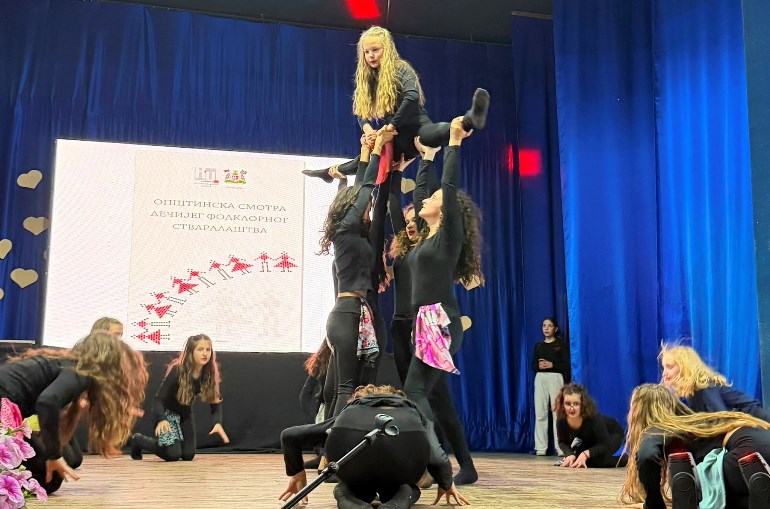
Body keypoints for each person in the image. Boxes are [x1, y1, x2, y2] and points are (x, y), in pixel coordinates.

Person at [401, 117, 483, 486]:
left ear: (445, 210)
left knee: (414, 391)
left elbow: (447, 188)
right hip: (428, 322)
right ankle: (467, 466)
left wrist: (454, 144)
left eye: (434, 200)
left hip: (439, 320)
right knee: (439, 401)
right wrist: (427, 158)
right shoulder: (427, 236)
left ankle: (433, 463)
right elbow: (424, 191)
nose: (426, 199)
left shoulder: (448, 236)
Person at [303, 25, 489, 183]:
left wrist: (391, 125)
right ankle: (329, 172)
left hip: (414, 124)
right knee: (367, 159)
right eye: (366, 52)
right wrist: (368, 130)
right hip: (396, 137)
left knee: (429, 135)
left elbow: (412, 97)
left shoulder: (400, 68)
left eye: (375, 50)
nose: (371, 55)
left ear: (387, 49)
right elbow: (361, 110)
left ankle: (469, 119)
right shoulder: (368, 78)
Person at [0, 332, 148, 493]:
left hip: (8, 408)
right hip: (4, 409)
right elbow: (47, 402)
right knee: (50, 478)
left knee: (66, 461)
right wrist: (53, 456)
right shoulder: (80, 372)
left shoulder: (67, 366)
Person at [279, 384, 468, 508]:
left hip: (355, 470)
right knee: (407, 487)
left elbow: (290, 436)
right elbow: (436, 456)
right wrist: (445, 482)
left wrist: (297, 473)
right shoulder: (412, 411)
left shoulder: (351, 411)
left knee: (346, 487)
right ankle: (400, 499)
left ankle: (349, 499)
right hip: (401, 467)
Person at [320, 127, 395, 416]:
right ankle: (337, 441)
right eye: (365, 207)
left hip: (353, 312)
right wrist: (377, 149)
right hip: (347, 313)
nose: (369, 208)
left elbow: (363, 186)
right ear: (350, 208)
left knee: (343, 389)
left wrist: (365, 151)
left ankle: (332, 439)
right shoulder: (346, 230)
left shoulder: (351, 232)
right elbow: (365, 189)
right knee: (345, 389)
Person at [621, 383, 770, 509]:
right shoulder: (693, 421)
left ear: (638, 411)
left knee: (707, 491)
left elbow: (647, 456)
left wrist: (653, 503)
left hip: (748, 450)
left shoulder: (660, 427)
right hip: (760, 441)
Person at [130, 334, 229, 461]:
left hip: (185, 415)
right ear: (191, 352)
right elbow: (158, 399)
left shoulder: (208, 374)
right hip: (166, 414)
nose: (205, 353)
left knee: (188, 455)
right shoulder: (178, 370)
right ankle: (138, 440)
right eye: (200, 349)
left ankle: (173, 445)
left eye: (208, 350)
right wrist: (162, 419)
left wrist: (217, 423)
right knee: (173, 455)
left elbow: (215, 402)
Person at [659, 344, 769, 422]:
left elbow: (722, 418)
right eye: (664, 368)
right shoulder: (693, 391)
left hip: (757, 422)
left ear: (685, 368)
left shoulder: (704, 387)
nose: (664, 373)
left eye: (670, 367)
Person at [555, 383, 626, 468]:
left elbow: (604, 444)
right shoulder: (561, 420)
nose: (572, 408)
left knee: (596, 462)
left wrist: (585, 454)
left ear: (582, 405)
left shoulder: (593, 418)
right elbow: (562, 442)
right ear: (562, 405)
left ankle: (625, 459)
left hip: (611, 435)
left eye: (576, 404)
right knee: (579, 459)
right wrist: (570, 454)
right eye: (567, 403)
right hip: (590, 440)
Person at [531, 317, 568, 456]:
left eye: (550, 325)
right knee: (540, 412)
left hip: (555, 377)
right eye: (544, 325)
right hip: (540, 378)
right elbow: (533, 365)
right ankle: (541, 447)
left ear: (555, 329)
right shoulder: (539, 346)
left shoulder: (560, 345)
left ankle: (561, 447)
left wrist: (552, 365)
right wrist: (539, 366)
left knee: (557, 412)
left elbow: (566, 365)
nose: (546, 328)